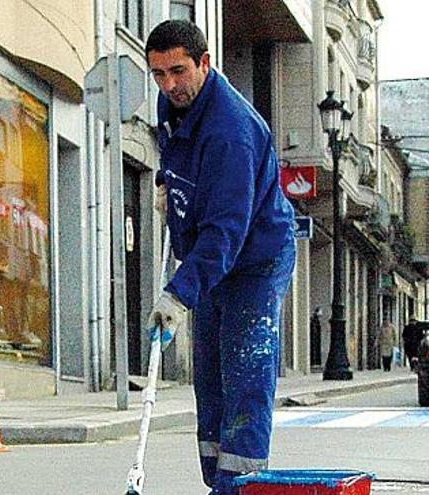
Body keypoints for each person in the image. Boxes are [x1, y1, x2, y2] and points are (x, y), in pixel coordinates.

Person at [146, 20, 296, 495]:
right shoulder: (172, 105)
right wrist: (166, 187)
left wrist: (178, 293)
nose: (169, 85)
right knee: (208, 380)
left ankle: (242, 485)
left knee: (244, 377)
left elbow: (226, 230)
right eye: (159, 74)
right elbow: (176, 154)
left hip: (255, 260)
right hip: (209, 259)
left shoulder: (232, 132)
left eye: (179, 71)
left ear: (205, 63)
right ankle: (219, 484)